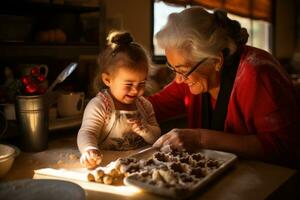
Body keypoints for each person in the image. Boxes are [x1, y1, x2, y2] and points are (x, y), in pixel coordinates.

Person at [149, 7, 300, 169]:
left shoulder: (257, 73)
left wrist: (200, 138)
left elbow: (285, 147)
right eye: (173, 69)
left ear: (216, 61)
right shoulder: (194, 76)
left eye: (183, 70)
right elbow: (152, 107)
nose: (178, 80)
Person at [77, 31, 161, 169]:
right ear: (107, 80)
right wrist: (89, 149)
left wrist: (146, 130)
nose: (135, 90)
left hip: (141, 165)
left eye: (141, 83)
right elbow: (87, 132)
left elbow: (156, 135)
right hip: (108, 166)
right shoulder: (100, 105)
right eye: (128, 84)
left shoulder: (144, 105)